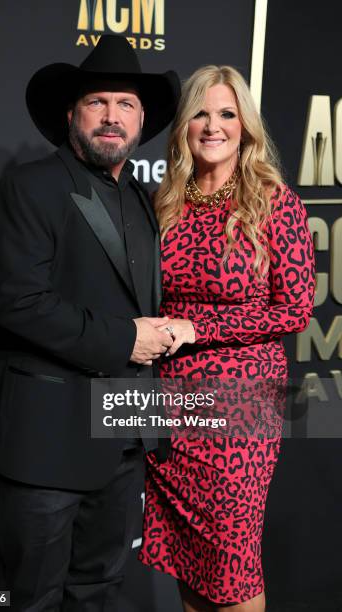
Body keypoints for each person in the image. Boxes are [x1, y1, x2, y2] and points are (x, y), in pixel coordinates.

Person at [0, 35, 180, 611]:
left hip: (123, 436)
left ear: (142, 120)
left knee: (99, 589)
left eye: (126, 104)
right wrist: (127, 339)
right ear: (71, 113)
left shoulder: (144, 199)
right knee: (33, 597)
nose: (112, 116)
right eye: (98, 102)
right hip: (46, 441)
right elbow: (19, 302)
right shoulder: (31, 187)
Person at [138, 65, 315, 611]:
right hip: (170, 404)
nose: (212, 126)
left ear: (246, 127)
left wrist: (199, 328)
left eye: (226, 114)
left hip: (242, 408)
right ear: (184, 124)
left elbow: (296, 309)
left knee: (232, 564)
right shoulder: (165, 202)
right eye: (200, 112)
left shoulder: (272, 201)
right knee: (192, 561)